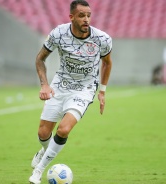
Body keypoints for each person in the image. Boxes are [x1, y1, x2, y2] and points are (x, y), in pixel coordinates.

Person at [28, 0, 113, 183]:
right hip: (60, 85)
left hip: (84, 89)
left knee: (64, 129)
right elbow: (40, 59)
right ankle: (45, 150)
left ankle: (39, 171)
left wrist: (102, 91)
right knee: (43, 133)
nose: (86, 20)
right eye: (82, 15)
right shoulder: (59, 33)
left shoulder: (102, 39)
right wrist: (44, 84)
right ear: (71, 17)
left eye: (89, 15)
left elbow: (107, 63)